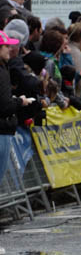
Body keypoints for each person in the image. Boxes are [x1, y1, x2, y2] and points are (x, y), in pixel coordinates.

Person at [0, 30, 34, 182]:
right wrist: (20, 101)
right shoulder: (1, 71)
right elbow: (4, 106)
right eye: (6, 46)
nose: (10, 49)